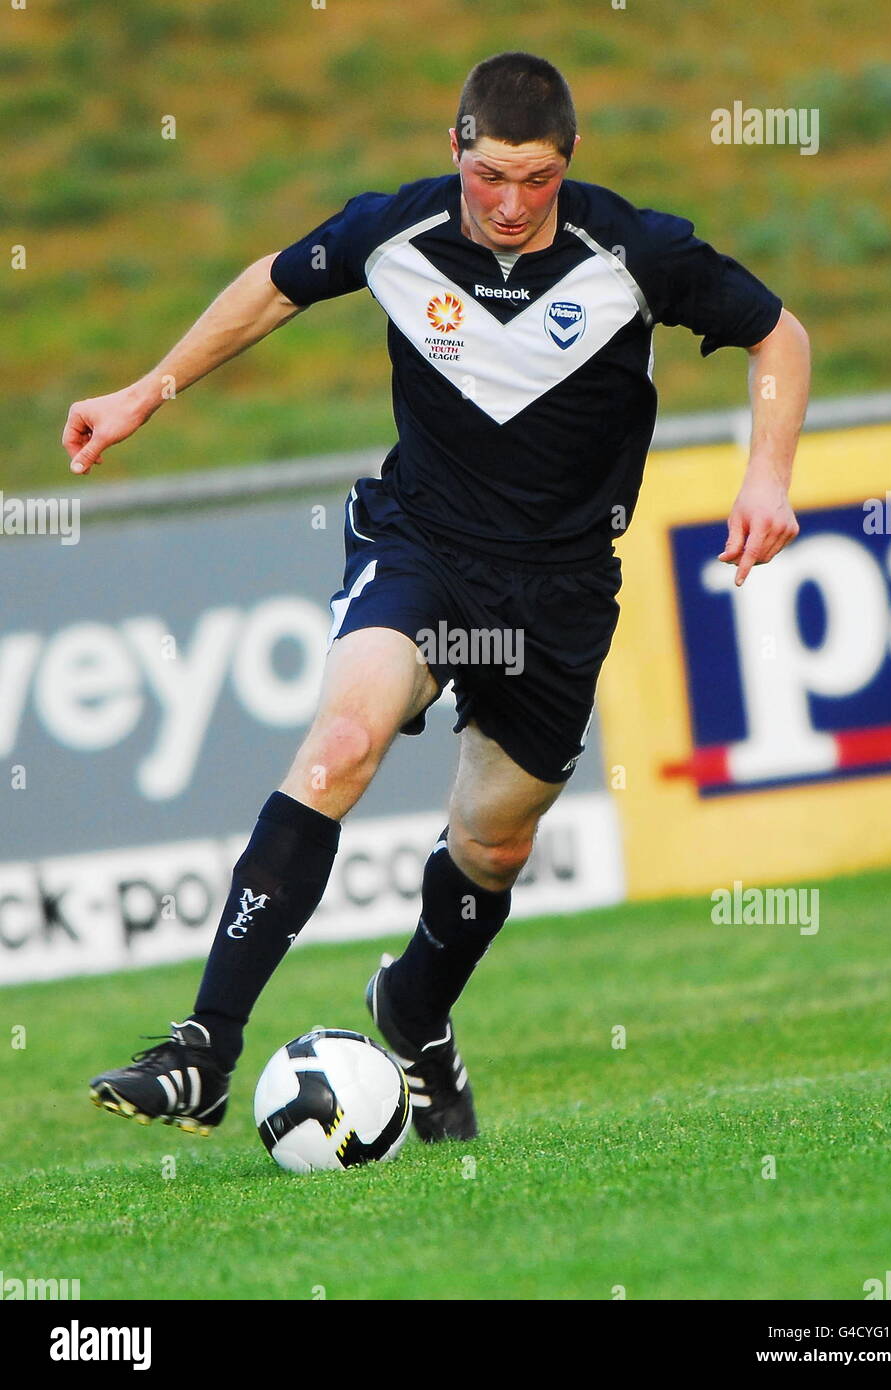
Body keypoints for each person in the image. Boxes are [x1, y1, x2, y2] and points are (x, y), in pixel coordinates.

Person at [65, 52, 809, 1143]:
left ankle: (411, 1009)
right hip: (422, 546)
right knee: (341, 741)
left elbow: (775, 334)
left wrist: (766, 474)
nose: (510, 205)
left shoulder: (635, 249)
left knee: (491, 847)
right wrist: (145, 391)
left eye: (538, 179)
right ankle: (204, 1046)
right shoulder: (396, 231)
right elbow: (274, 282)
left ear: (568, 165)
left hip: (554, 590)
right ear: (455, 148)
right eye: (491, 174)